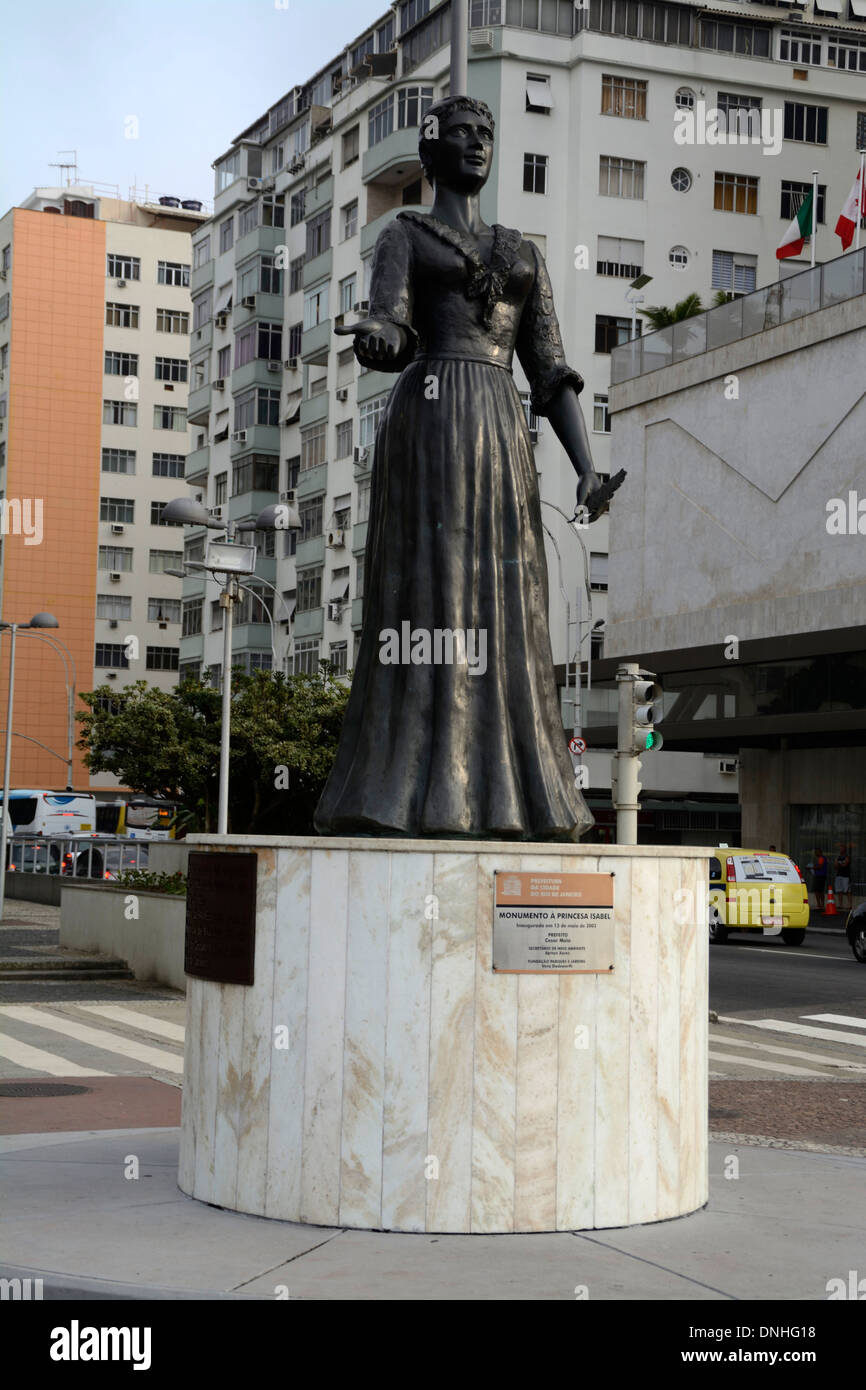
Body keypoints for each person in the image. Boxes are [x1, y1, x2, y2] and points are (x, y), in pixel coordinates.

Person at [314, 95, 622, 841]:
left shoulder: (521, 253)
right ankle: (404, 787)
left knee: (509, 595)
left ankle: (517, 792)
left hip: (500, 425)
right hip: (430, 411)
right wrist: (376, 339)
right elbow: (388, 326)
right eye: (461, 133)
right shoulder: (406, 234)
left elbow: (548, 370)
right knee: (430, 588)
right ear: (432, 152)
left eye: (486, 132)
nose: (477, 142)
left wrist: (585, 468)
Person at [834, 842, 852, 912]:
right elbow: (835, 867)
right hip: (839, 875)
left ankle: (850, 905)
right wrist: (840, 864)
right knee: (839, 890)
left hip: (846, 876)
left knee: (847, 890)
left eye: (842, 848)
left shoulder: (847, 857)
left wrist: (839, 864)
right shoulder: (838, 857)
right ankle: (840, 905)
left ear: (845, 849)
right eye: (840, 848)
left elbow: (845, 865)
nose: (841, 849)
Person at [812, 847, 828, 912]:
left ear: (820, 852)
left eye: (816, 852)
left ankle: (821, 905)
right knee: (818, 890)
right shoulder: (820, 858)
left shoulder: (821, 858)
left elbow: (819, 866)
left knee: (819, 891)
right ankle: (820, 905)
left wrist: (811, 867)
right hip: (820, 876)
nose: (815, 853)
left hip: (820, 876)